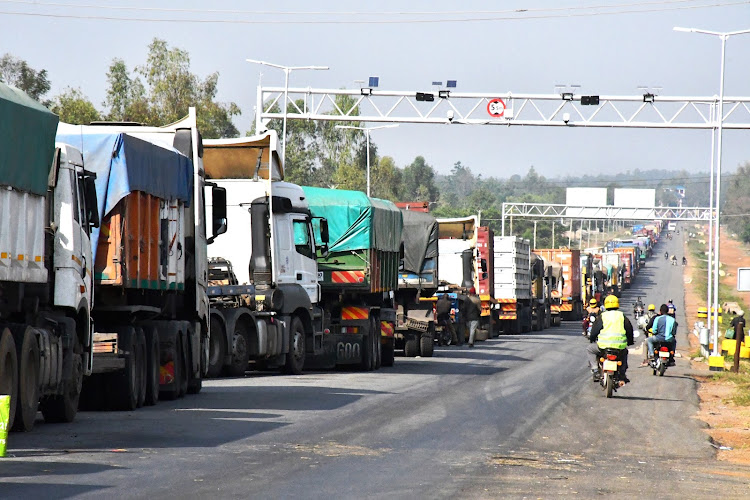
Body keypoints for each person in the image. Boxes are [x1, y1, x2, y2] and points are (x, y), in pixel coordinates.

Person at [587, 294, 635, 383]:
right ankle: (622, 374)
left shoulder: (603, 316)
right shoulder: (622, 316)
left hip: (603, 347)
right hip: (619, 347)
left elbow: (595, 330)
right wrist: (630, 341)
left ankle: (595, 370)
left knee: (590, 349)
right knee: (624, 353)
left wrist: (592, 338)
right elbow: (629, 330)